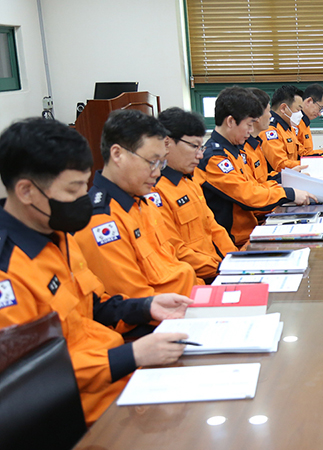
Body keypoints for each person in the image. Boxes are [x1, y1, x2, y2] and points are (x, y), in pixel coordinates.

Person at [0, 118, 191, 424]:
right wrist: (130, 355)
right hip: (81, 413)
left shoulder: (57, 234)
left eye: (84, 184)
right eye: (73, 189)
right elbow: (29, 379)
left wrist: (145, 306)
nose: (83, 197)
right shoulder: (8, 272)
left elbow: (93, 307)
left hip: (119, 382)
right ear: (26, 191)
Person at [73, 110, 201, 329]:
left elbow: (173, 264)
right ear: (117, 154)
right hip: (159, 325)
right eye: (152, 162)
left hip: (188, 303)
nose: (157, 173)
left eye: (161, 163)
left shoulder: (142, 202)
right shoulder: (102, 221)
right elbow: (135, 304)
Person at [194, 86, 315, 247]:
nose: (251, 130)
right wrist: (289, 193)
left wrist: (286, 180)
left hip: (253, 231)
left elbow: (256, 185)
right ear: (230, 122)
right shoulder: (215, 158)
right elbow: (248, 195)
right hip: (236, 243)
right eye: (249, 124)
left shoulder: (234, 150)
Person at [151, 107, 238, 281]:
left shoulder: (189, 181)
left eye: (201, 147)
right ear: (167, 143)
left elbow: (214, 229)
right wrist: (221, 268)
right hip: (197, 278)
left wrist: (235, 260)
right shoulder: (155, 191)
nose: (199, 155)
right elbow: (176, 251)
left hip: (220, 270)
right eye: (194, 147)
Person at [260, 85, 323, 174]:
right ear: (283, 108)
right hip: (280, 180)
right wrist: (314, 164)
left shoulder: (289, 129)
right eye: (298, 109)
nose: (300, 114)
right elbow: (280, 165)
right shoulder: (270, 131)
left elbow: (303, 153)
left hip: (294, 176)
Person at [241, 87, 276, 184]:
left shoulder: (256, 143)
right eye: (268, 111)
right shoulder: (242, 148)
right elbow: (252, 189)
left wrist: (287, 176)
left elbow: (264, 178)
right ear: (257, 116)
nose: (270, 115)